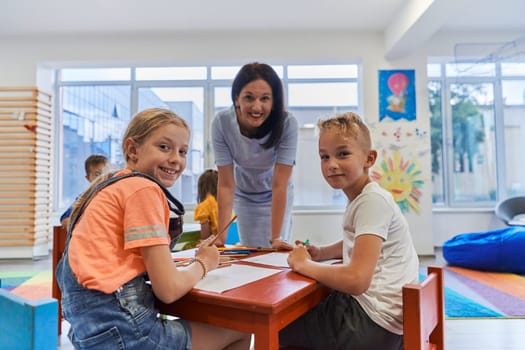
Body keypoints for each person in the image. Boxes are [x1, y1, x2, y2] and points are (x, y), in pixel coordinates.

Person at [55, 108, 250, 350]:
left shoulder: (110, 185)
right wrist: (204, 263)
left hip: (89, 333)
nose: (176, 159)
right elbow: (168, 290)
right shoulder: (143, 190)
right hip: (127, 332)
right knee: (241, 330)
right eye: (164, 147)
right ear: (132, 150)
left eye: (182, 151)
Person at [279, 112, 419, 350]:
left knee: (281, 326)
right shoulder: (366, 198)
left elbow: (356, 280)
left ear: (369, 158)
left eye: (342, 154)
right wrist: (321, 253)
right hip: (387, 321)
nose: (331, 164)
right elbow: (357, 242)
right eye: (324, 156)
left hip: (371, 324)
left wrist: (305, 265)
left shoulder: (371, 202)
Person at [211, 62, 298, 249]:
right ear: (236, 99)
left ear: (274, 102)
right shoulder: (222, 122)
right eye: (249, 97)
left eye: (265, 98)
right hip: (245, 195)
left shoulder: (287, 123)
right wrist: (220, 237)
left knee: (274, 251)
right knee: (251, 251)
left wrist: (276, 237)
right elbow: (226, 184)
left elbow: (279, 183)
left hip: (276, 193)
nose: (256, 107)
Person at [59, 154, 110, 229]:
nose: (102, 177)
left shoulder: (117, 194)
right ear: (88, 178)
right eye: (97, 174)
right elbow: (65, 219)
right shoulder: (85, 197)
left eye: (106, 172)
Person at [194, 169, 219, 240]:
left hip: (216, 244)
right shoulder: (224, 204)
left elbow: (205, 236)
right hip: (231, 243)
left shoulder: (203, 207)